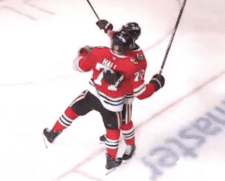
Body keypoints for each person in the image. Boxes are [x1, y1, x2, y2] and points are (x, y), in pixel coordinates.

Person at [43, 31, 165, 171]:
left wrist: (83, 53)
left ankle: (53, 132)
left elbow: (79, 66)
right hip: (113, 104)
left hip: (93, 95)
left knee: (72, 111)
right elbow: (141, 93)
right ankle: (111, 160)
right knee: (114, 129)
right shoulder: (133, 64)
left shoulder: (98, 52)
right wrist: (156, 84)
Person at [96, 19, 160, 163]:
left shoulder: (138, 59)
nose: (120, 36)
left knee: (125, 121)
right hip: (111, 91)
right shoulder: (123, 40)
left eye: (124, 34)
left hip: (125, 94)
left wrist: (155, 84)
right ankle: (113, 134)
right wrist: (107, 28)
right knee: (109, 115)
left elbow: (141, 92)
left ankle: (130, 145)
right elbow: (113, 35)